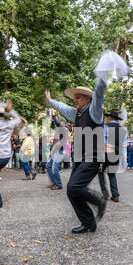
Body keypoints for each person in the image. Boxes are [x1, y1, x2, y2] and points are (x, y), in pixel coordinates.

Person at [45, 81, 107, 234]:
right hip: (80, 157)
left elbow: (99, 95)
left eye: (78, 97)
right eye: (75, 97)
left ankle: (98, 201)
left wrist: (103, 76)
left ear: (88, 99)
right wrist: (50, 101)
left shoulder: (95, 111)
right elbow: (63, 107)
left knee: (74, 187)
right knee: (72, 191)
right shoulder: (77, 113)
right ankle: (89, 223)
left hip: (92, 157)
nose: (75, 99)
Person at [98, 110, 126, 202]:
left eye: (107, 117)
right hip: (117, 153)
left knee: (100, 171)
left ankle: (105, 193)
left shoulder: (106, 127)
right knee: (112, 173)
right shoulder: (122, 128)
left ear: (110, 118)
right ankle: (115, 195)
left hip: (107, 152)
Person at [47, 111, 71, 189]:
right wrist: (52, 120)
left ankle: (59, 184)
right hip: (56, 150)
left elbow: (57, 124)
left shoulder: (64, 129)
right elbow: (53, 126)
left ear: (62, 123)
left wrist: (54, 116)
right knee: (48, 166)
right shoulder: (59, 129)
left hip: (60, 150)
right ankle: (54, 182)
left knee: (55, 168)